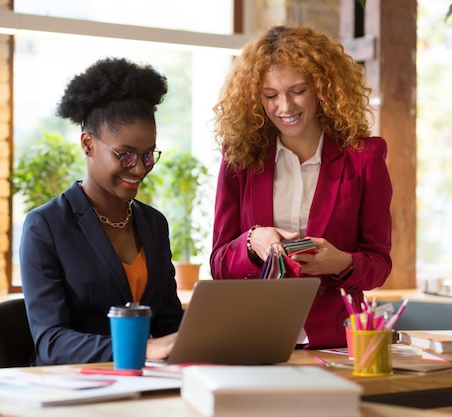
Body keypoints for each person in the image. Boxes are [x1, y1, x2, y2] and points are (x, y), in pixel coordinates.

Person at [210, 25, 393, 349]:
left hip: (335, 341)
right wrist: (252, 242)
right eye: (270, 95)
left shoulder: (364, 157)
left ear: (323, 88)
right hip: (254, 335)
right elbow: (219, 264)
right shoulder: (240, 157)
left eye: (297, 91)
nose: (285, 107)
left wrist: (343, 263)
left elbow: (379, 265)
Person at [20, 57, 183, 366]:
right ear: (88, 144)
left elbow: (168, 320)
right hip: (73, 388)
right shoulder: (46, 225)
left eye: (148, 156)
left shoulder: (153, 223)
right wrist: (141, 349)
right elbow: (51, 341)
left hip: (143, 382)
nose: (138, 168)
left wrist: (206, 337)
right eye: (125, 155)